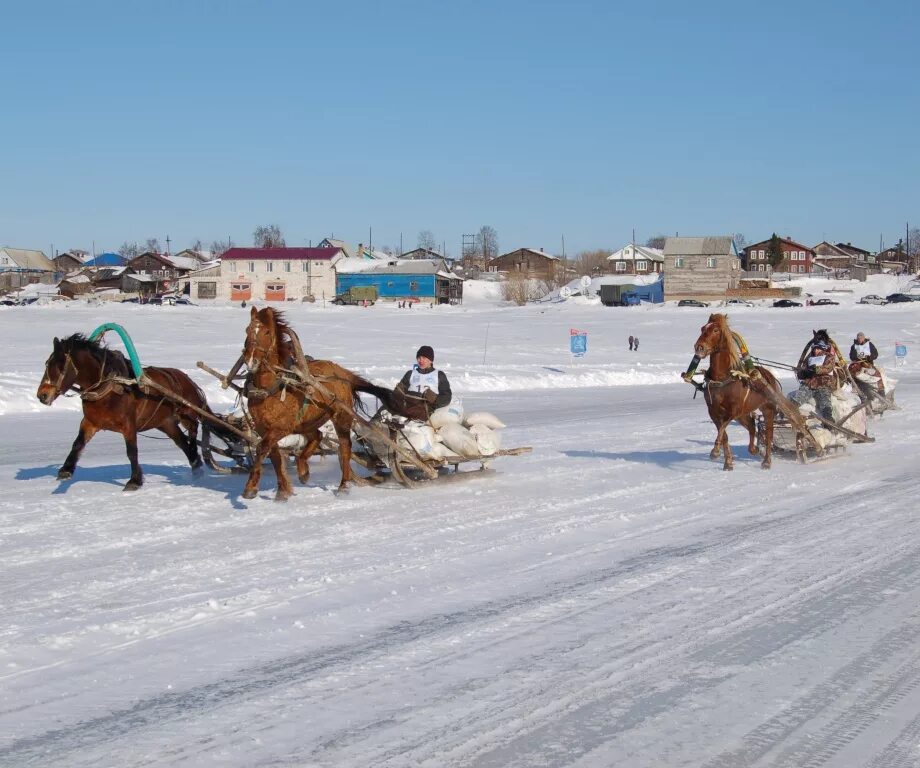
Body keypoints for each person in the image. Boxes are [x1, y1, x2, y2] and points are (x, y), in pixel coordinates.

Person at [395, 345, 452, 416]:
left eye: (424, 358)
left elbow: (447, 397)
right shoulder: (410, 373)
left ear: (430, 360)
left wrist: (435, 399)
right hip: (409, 404)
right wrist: (398, 391)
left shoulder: (439, 375)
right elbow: (399, 393)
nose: (421, 360)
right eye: (419, 358)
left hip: (428, 408)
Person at [792, 339, 839, 421]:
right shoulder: (809, 358)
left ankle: (828, 418)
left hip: (824, 383)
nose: (816, 351)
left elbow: (827, 368)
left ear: (823, 349)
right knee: (799, 397)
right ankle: (788, 409)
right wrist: (802, 372)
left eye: (818, 349)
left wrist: (815, 369)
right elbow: (803, 369)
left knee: (824, 400)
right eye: (814, 349)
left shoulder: (829, 357)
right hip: (810, 384)